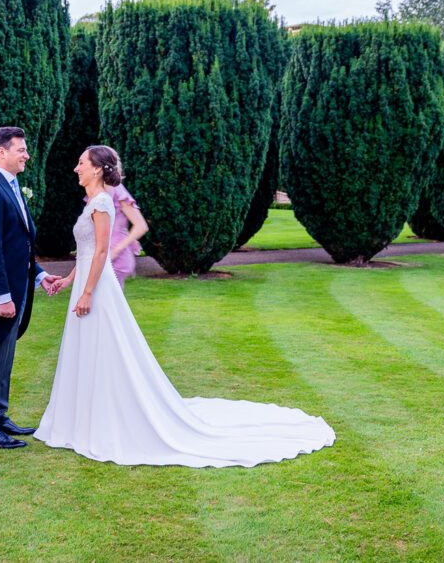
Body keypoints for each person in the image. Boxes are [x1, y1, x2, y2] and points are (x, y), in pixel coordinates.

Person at [34, 145, 335, 467]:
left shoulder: (104, 202)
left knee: (105, 345)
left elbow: (102, 251)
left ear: (97, 169)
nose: (75, 168)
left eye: (81, 163)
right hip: (87, 281)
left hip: (98, 287)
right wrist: (69, 281)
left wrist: (88, 292)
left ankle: (109, 414)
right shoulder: (92, 203)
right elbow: (87, 250)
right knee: (88, 347)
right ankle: (86, 416)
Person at [0, 127, 59, 449]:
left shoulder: (12, 186)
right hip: (1, 291)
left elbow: (17, 244)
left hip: (18, 286)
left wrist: (38, 274)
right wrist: (2, 297)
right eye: (21, 150)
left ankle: (0, 415)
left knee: (6, 355)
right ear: (2, 153)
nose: (26, 155)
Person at [88, 147, 148, 288]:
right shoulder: (96, 191)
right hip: (101, 254)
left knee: (105, 304)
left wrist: (116, 250)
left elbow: (141, 226)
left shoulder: (117, 189)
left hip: (114, 257)